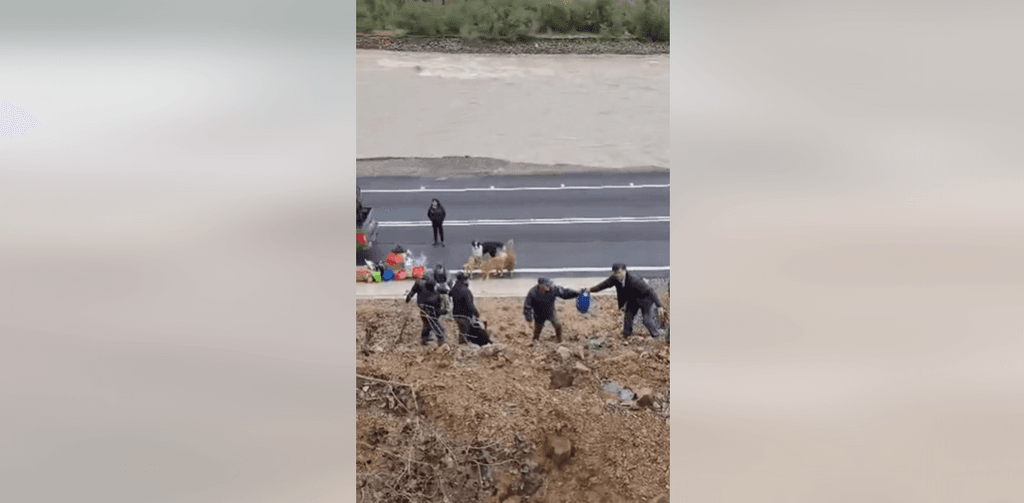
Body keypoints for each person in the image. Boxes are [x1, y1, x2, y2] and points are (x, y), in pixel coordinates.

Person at [585, 263, 665, 339]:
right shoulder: (614, 278)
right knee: (628, 316)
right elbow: (602, 286)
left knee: (646, 320)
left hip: (644, 299)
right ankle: (627, 334)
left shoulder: (635, 280)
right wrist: (590, 290)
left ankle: (656, 335)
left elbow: (650, 291)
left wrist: (659, 306)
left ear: (624, 270)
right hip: (632, 299)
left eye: (619, 272)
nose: (617, 275)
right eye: (615, 273)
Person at [523, 278, 581, 344]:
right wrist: (529, 319)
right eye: (547, 285)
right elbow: (527, 306)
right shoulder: (532, 292)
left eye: (549, 285)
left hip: (551, 312)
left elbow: (564, 292)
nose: (549, 287)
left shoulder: (553, 289)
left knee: (558, 325)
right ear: (541, 286)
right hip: (539, 315)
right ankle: (535, 340)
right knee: (537, 330)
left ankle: (559, 339)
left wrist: (577, 293)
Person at [406, 277, 446, 346]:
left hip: (424, 307)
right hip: (427, 308)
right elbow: (438, 307)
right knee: (432, 324)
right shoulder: (434, 295)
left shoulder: (420, 284)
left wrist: (408, 298)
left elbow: (412, 291)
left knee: (427, 324)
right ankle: (440, 339)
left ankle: (426, 338)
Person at [448, 272, 482, 344]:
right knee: (465, 333)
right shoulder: (466, 291)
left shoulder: (455, 288)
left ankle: (463, 345)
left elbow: (449, 293)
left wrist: (451, 285)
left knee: (462, 331)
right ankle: (463, 347)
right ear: (465, 281)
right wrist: (476, 313)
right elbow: (470, 305)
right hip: (465, 316)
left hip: (456, 315)